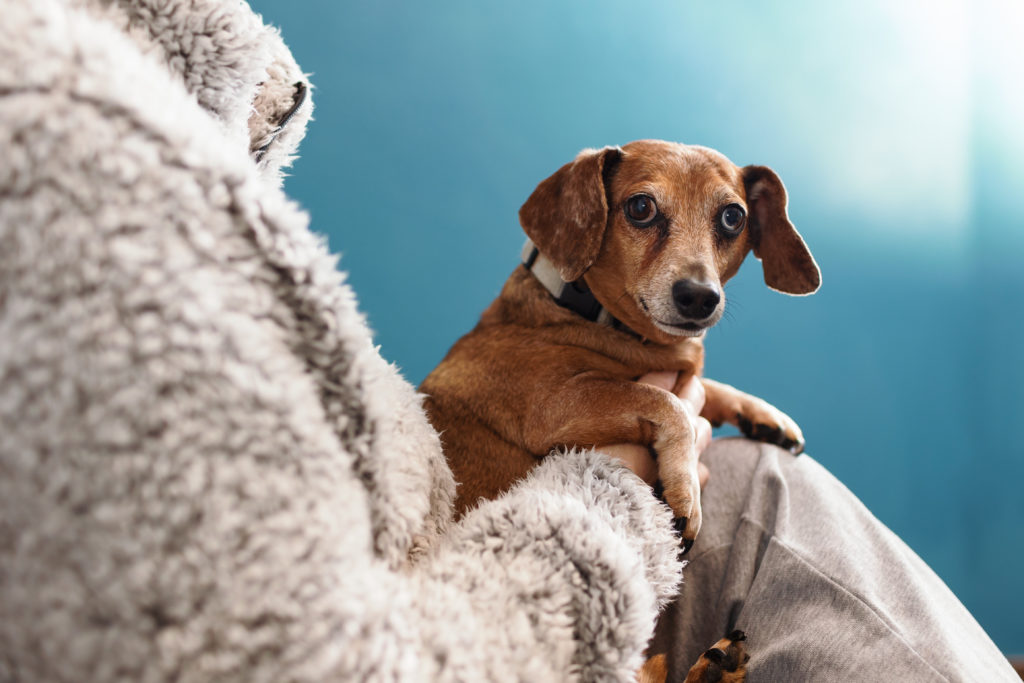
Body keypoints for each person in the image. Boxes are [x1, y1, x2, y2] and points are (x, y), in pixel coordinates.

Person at [0, 1, 1015, 681]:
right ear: (588, 219)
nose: (697, 271)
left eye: (726, 229)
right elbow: (557, 407)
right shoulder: (80, 153)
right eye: (648, 217)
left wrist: (702, 400)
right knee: (767, 489)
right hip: (515, 577)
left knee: (755, 475)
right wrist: (663, 426)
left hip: (543, 574)